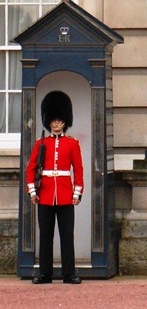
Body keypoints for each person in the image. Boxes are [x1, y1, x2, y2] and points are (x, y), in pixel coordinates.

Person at [25, 91, 84, 285]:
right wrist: (33, 191)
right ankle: (45, 273)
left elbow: (78, 169)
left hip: (65, 195)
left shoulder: (72, 143)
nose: (57, 123)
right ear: (48, 121)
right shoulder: (41, 143)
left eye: (60, 120)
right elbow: (31, 168)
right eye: (54, 120)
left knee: (67, 236)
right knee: (46, 236)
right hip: (45, 194)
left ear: (65, 121)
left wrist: (77, 192)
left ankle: (69, 273)